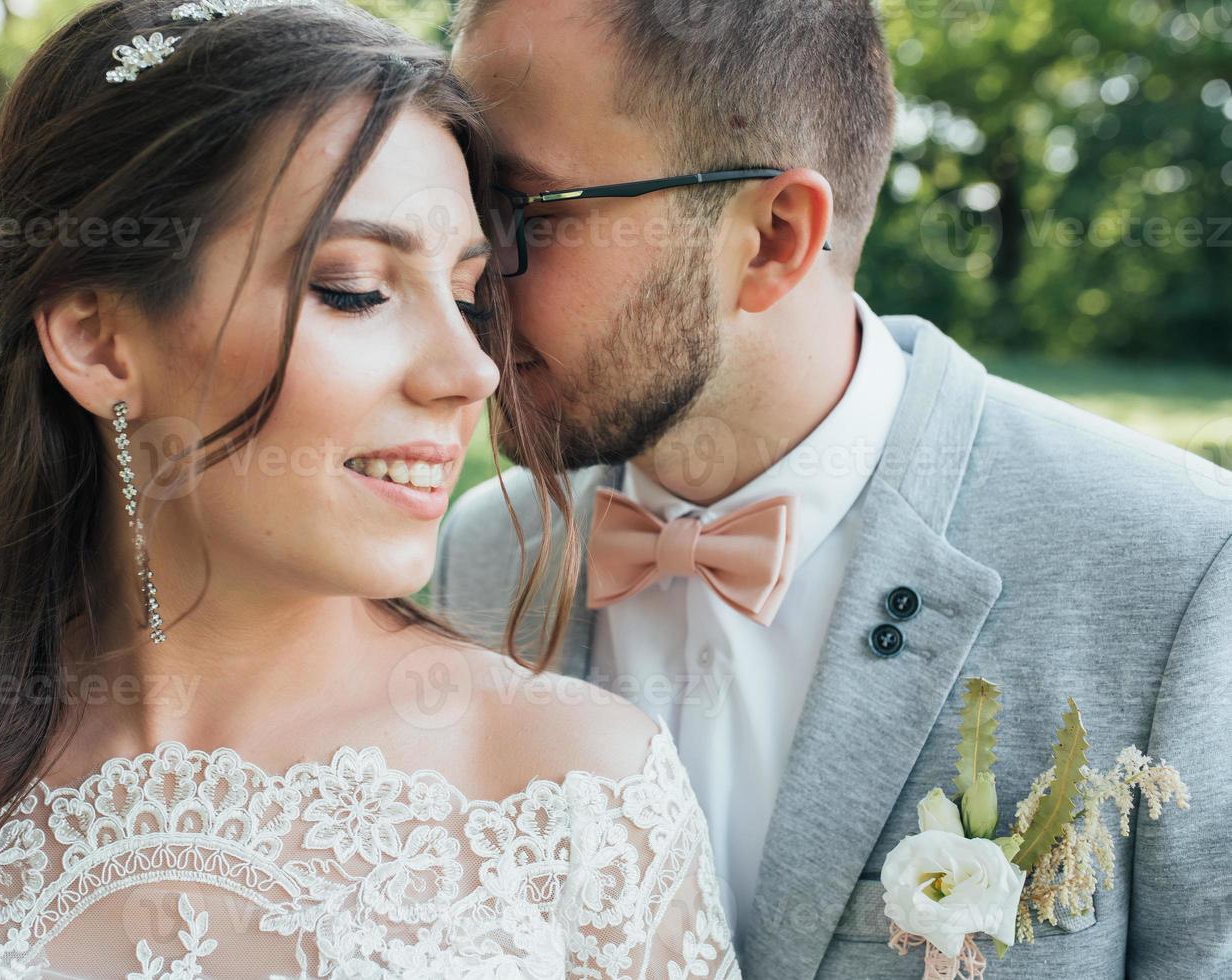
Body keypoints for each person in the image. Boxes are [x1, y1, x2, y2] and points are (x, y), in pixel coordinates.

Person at [0, 1, 740, 976]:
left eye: (470, 294)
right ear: (99, 341)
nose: (470, 369)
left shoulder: (579, 797)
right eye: (354, 288)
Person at [432, 0, 1232, 977]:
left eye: (520, 211)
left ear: (772, 236)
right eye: (459, 205)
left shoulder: (1174, 571)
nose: (468, 279)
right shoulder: (476, 559)